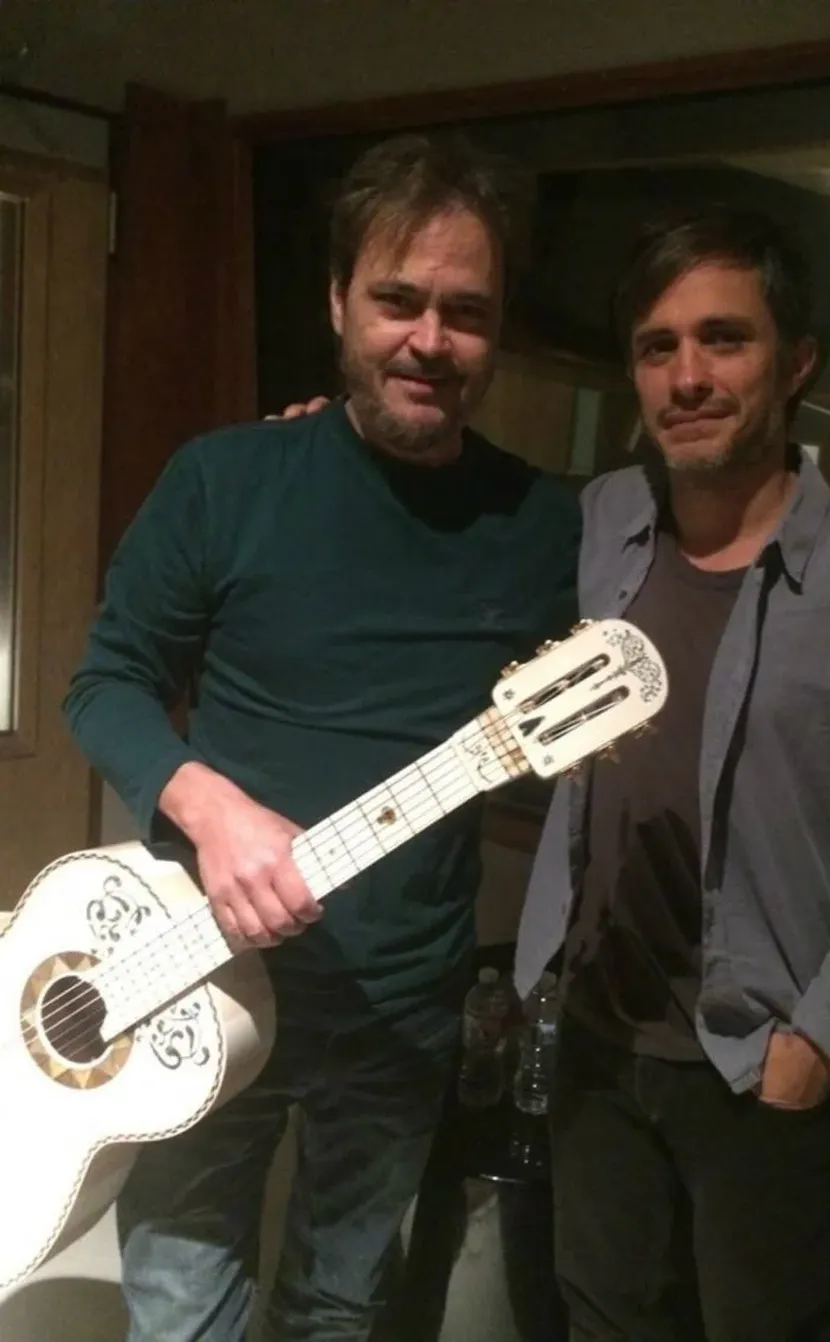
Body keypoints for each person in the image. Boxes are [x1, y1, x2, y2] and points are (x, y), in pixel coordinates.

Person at [62, 134, 582, 1342]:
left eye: (465, 312)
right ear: (338, 299)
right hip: (202, 982)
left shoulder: (545, 524)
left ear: (496, 330)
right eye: (398, 299)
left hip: (404, 1009)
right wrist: (207, 803)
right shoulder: (224, 480)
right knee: (182, 1307)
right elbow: (107, 682)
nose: (428, 340)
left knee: (337, 1309)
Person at [514, 206, 830, 1342]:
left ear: (798, 361)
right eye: (657, 346)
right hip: (598, 1034)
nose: (687, 374)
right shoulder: (602, 521)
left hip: (759, 1064)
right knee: (598, 1317)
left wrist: (814, 1045)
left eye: (723, 338)